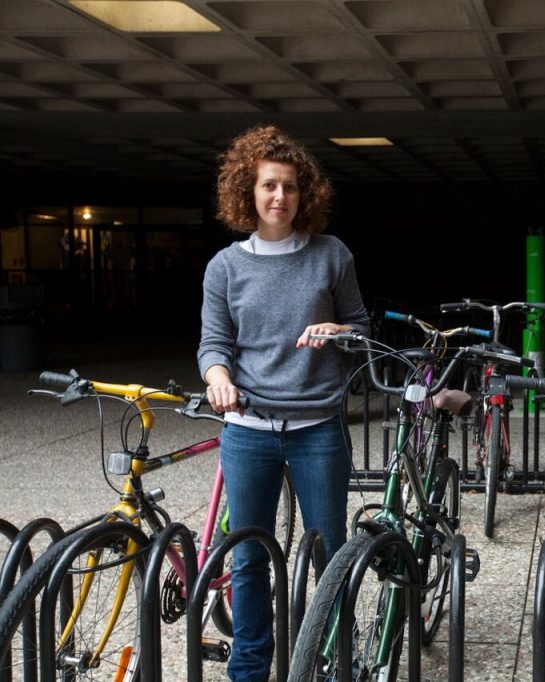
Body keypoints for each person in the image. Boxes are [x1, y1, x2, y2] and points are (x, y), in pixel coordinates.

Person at [198, 124, 369, 682]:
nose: (279, 197)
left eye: (290, 187)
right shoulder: (225, 266)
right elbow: (214, 344)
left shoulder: (330, 255)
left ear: (305, 194)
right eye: (269, 186)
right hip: (248, 427)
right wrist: (217, 377)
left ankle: (334, 656)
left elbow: (362, 331)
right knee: (248, 554)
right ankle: (249, 667)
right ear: (248, 191)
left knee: (330, 551)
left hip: (318, 426)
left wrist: (338, 330)